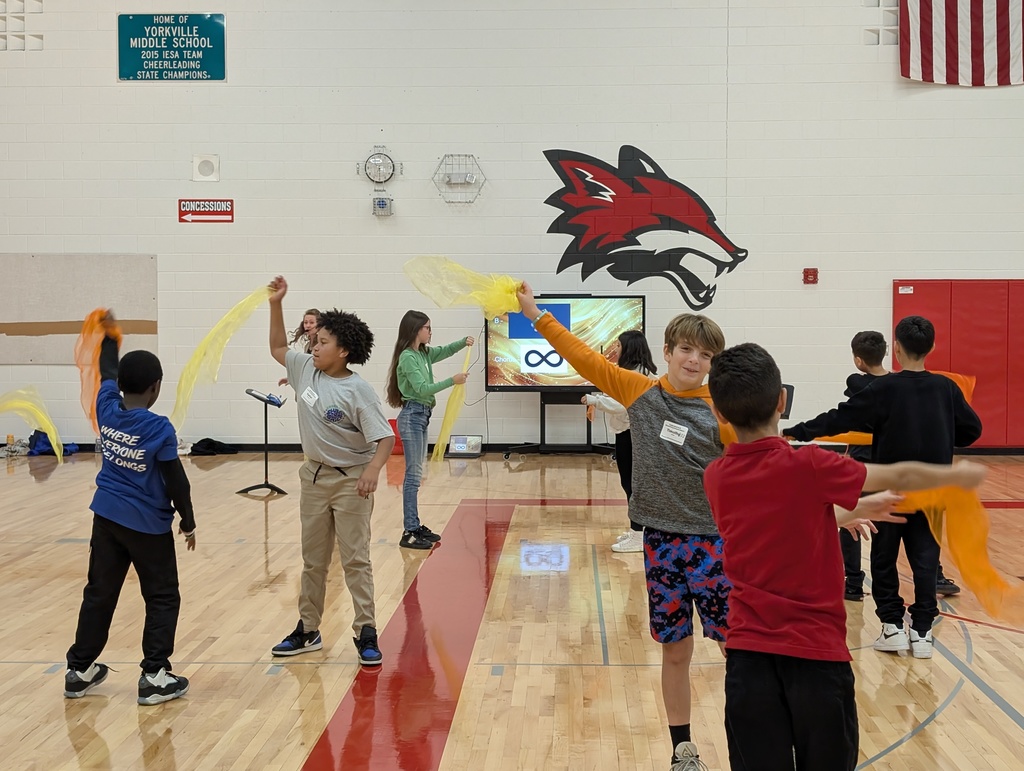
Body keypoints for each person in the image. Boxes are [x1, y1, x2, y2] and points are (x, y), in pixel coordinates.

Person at [704, 341, 987, 771]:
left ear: (719, 414)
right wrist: (956, 475)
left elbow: (772, 517)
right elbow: (896, 473)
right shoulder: (811, 467)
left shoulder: (717, 476)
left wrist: (838, 513)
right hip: (816, 658)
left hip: (748, 657)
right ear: (782, 401)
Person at [517, 282, 732, 771]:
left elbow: (761, 471)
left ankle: (749, 740)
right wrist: (536, 314)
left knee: (734, 649)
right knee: (674, 651)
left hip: (717, 546)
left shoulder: (723, 411)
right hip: (660, 544)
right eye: (685, 350)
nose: (693, 360)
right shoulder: (641, 392)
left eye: (704, 354)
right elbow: (583, 358)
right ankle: (683, 749)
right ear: (667, 351)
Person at [784, 316, 982, 659]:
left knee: (884, 558)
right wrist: (947, 433)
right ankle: (922, 633)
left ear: (898, 349)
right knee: (925, 560)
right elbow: (972, 430)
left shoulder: (885, 388)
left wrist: (796, 432)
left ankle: (892, 627)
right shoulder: (946, 389)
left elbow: (838, 418)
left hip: (889, 492)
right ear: (932, 348)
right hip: (933, 493)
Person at [65, 311, 197, 706]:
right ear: (156, 389)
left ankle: (79, 670)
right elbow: (176, 480)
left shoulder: (107, 407)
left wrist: (109, 338)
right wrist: (188, 522)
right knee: (162, 596)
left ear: (121, 386)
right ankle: (155, 675)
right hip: (147, 528)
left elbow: (106, 369)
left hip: (105, 518)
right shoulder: (159, 429)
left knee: (99, 592)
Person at [268, 276, 394, 665]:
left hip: (351, 482)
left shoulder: (358, 391)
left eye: (322, 341)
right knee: (313, 560)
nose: (313, 345)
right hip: (314, 478)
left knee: (355, 559)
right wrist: (276, 304)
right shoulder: (305, 368)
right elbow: (276, 346)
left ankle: (366, 631)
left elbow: (385, 438)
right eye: (314, 340)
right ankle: (308, 629)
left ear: (343, 351)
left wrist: (373, 469)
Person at [384, 310, 473, 550]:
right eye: (427, 328)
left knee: (417, 475)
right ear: (416, 330)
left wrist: (462, 343)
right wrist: (452, 381)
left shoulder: (422, 353)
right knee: (412, 477)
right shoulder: (407, 357)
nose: (430, 332)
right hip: (412, 416)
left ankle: (415, 524)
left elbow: (443, 351)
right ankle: (410, 530)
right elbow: (422, 389)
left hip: (421, 417)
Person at [581, 329, 658, 553]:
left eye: (620, 346)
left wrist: (595, 400)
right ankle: (637, 531)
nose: (617, 349)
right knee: (629, 483)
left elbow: (624, 403)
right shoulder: (632, 372)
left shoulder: (639, 375)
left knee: (632, 484)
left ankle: (638, 534)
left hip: (634, 435)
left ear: (630, 348)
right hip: (627, 433)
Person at [839, 330, 890, 601]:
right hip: (889, 463)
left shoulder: (857, 382)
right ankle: (873, 581)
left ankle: (853, 581)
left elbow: (855, 386)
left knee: (851, 519)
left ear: (858, 360)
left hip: (861, 464)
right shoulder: (897, 386)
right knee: (884, 520)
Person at [279, 309, 321, 387]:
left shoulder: (321, 346)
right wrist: (292, 379)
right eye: (305, 322)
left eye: (312, 322)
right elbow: (307, 368)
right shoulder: (307, 346)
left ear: (319, 325)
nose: (308, 325)